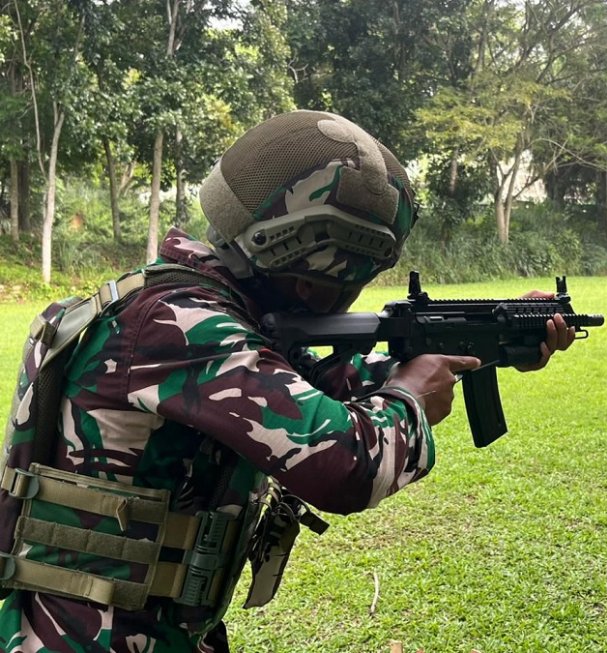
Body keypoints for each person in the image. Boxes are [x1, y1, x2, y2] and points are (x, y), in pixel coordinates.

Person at [0, 110, 574, 653]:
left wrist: (487, 347)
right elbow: (345, 464)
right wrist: (411, 399)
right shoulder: (180, 323)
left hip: (132, 627)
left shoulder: (201, 305)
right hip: (92, 635)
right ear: (314, 265)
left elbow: (318, 383)